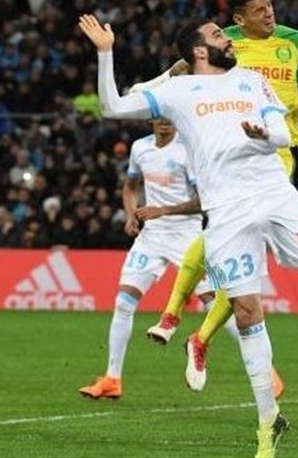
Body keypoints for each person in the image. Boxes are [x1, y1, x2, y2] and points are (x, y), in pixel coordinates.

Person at [79, 13, 298, 458]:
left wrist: (261, 136)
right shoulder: (176, 92)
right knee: (247, 312)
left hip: (274, 194)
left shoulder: (251, 80)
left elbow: (280, 133)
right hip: (226, 211)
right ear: (199, 50)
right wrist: (105, 53)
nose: (227, 39)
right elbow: (111, 107)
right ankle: (269, 422)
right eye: (218, 35)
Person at [144, 0, 298, 393]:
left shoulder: (295, 41)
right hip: (231, 149)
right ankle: (181, 324)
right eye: (259, 9)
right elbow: (179, 74)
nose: (269, 13)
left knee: (238, 256)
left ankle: (190, 331)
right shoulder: (224, 44)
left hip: (277, 149)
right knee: (234, 252)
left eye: (270, 5)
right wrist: (147, 87)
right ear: (239, 18)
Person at [78, 118, 204, 400]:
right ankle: (112, 379)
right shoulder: (140, 148)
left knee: (214, 301)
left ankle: (264, 371)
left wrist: (164, 210)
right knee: (123, 302)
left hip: (187, 235)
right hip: (152, 236)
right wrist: (131, 214)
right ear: (151, 119)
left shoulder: (188, 149)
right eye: (160, 116)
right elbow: (130, 187)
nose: (166, 122)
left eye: (171, 116)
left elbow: (203, 200)